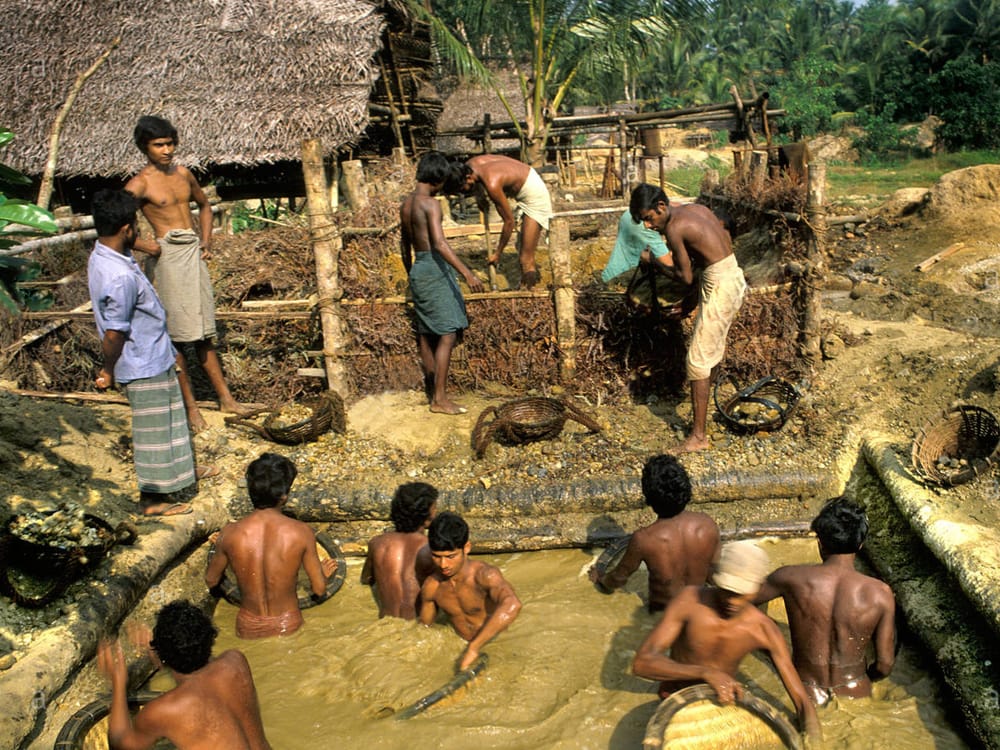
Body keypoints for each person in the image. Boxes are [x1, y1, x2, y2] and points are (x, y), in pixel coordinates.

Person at [125, 115, 250, 433]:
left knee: (205, 332)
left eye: (170, 143)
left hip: (193, 255)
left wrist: (206, 241)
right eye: (158, 145)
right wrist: (148, 247)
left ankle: (226, 399)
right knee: (178, 338)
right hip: (167, 261)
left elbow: (205, 206)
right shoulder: (140, 183)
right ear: (145, 148)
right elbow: (114, 224)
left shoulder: (184, 174)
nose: (166, 150)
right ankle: (191, 409)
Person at [88, 189, 207, 517]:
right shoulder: (119, 276)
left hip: (155, 353)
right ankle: (152, 500)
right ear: (127, 229)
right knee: (153, 433)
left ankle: (180, 477)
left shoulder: (105, 254)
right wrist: (108, 370)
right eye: (136, 227)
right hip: (140, 361)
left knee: (169, 421)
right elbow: (115, 331)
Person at [632, 540, 821, 743]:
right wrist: (705, 672)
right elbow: (642, 664)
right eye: (727, 591)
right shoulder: (689, 602)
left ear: (757, 589)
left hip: (722, 709)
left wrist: (814, 741)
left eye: (740, 594)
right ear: (715, 580)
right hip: (674, 699)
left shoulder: (764, 630)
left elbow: (803, 703)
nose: (732, 601)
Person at [630, 183, 747, 454]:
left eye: (649, 218)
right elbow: (706, 258)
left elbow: (685, 276)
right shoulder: (695, 208)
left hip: (720, 283)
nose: (648, 226)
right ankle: (708, 410)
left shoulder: (673, 228)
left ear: (661, 207)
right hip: (730, 274)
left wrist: (654, 262)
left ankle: (698, 436)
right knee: (710, 349)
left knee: (696, 360)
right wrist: (693, 299)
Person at [754, 497, 896, 705]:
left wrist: (769, 644)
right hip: (856, 692)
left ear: (819, 542)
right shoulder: (880, 594)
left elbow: (742, 603)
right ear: (860, 544)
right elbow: (885, 665)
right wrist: (865, 678)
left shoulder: (789, 578)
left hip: (804, 690)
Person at [97, 599, 272, 750]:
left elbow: (120, 743)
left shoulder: (164, 710)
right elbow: (198, 671)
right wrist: (162, 651)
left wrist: (118, 683)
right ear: (210, 637)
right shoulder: (235, 661)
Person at [205, 453, 336, 638]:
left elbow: (211, 580)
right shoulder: (301, 532)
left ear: (251, 491)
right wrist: (322, 574)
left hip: (247, 625)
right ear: (283, 497)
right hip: (287, 623)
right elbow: (319, 589)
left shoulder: (229, 533)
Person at [400, 150, 484, 415]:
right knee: (447, 333)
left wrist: (411, 272)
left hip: (418, 268)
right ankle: (439, 399)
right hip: (434, 267)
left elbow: (404, 245)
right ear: (438, 179)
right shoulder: (431, 204)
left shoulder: (405, 204)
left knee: (426, 331)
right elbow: (439, 243)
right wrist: (467, 273)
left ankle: (432, 387)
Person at [589, 454, 719, 612]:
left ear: (648, 497)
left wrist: (600, 578)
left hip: (666, 614)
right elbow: (714, 572)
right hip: (699, 607)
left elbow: (618, 578)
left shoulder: (645, 539)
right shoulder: (707, 525)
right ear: (686, 489)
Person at [419, 511, 522, 670]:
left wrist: (473, 648)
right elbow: (424, 630)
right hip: (462, 646)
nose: (443, 564)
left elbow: (513, 605)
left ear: (466, 548)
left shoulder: (484, 576)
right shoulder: (432, 587)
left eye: (451, 556)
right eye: (436, 556)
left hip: (497, 644)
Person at [445, 153, 553, 290]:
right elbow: (479, 180)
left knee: (526, 257)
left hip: (534, 195)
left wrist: (498, 253)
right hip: (526, 176)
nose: (463, 193)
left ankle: (530, 295)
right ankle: (524, 285)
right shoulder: (471, 164)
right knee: (521, 249)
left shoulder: (492, 184)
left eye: (462, 189)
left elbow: (509, 222)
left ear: (467, 178)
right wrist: (479, 197)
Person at [361, 481, 437, 619]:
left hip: (385, 624)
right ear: (426, 518)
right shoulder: (432, 549)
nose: (436, 511)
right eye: (434, 508)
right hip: (418, 625)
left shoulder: (377, 544)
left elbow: (366, 579)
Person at [601, 208, 672, 285]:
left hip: (630, 216)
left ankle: (648, 269)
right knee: (662, 260)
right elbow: (667, 261)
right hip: (639, 222)